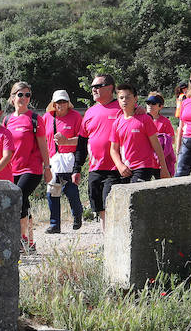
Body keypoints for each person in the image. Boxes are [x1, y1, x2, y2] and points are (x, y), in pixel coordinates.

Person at [4, 81, 50, 250]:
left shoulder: (35, 119)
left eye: (27, 95)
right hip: (12, 169)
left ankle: (22, 239)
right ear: (12, 97)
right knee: (23, 202)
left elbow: (43, 144)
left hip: (32, 169)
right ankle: (29, 241)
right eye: (20, 94)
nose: (24, 98)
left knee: (18, 197)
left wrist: (47, 168)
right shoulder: (7, 119)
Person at [74, 73, 122, 225]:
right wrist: (77, 168)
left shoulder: (122, 107)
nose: (93, 89)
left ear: (110, 88)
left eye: (97, 86)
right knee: (100, 208)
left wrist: (139, 109)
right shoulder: (90, 112)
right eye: (92, 86)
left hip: (116, 168)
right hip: (95, 169)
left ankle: (116, 243)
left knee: (112, 207)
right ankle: (107, 243)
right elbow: (82, 142)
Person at [41, 89, 83, 233]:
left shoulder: (76, 117)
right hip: (53, 159)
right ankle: (55, 225)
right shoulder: (47, 117)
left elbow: (82, 140)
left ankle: (77, 215)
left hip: (69, 159)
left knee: (70, 190)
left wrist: (66, 141)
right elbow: (42, 139)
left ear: (68, 103)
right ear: (53, 103)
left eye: (64, 101)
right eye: (58, 102)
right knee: (52, 191)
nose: (61, 104)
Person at [110, 85, 170, 184]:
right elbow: (113, 149)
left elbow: (156, 144)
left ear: (135, 98)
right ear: (118, 100)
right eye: (121, 98)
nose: (124, 100)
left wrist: (163, 167)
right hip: (125, 169)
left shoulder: (145, 119)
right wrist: (119, 165)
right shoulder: (117, 123)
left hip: (143, 167)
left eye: (128, 97)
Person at [146, 93, 176, 176]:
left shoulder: (165, 122)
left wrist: (160, 139)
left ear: (160, 106)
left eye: (153, 103)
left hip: (160, 161)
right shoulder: (141, 120)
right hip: (146, 161)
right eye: (148, 103)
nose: (150, 105)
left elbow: (172, 140)